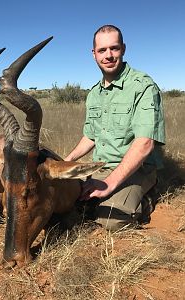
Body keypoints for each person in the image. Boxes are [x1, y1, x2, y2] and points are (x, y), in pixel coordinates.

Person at [65, 25, 165, 231]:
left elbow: (145, 143)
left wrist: (109, 184)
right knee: (64, 204)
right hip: (101, 167)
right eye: (102, 50)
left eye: (114, 48)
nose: (108, 55)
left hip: (137, 169)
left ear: (123, 49)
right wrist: (65, 162)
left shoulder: (143, 86)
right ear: (94, 54)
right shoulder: (93, 94)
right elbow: (90, 136)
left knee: (111, 219)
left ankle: (147, 198)